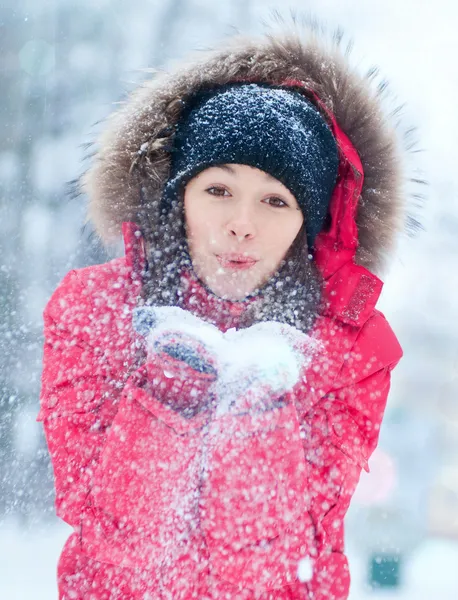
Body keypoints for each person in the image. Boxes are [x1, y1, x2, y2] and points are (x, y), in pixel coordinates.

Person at [38, 20, 409, 600]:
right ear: (177, 194)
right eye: (218, 189)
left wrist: (257, 407)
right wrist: (170, 391)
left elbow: (273, 568)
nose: (241, 223)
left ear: (305, 229)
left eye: (275, 201)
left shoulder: (348, 351)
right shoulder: (95, 310)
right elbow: (117, 548)